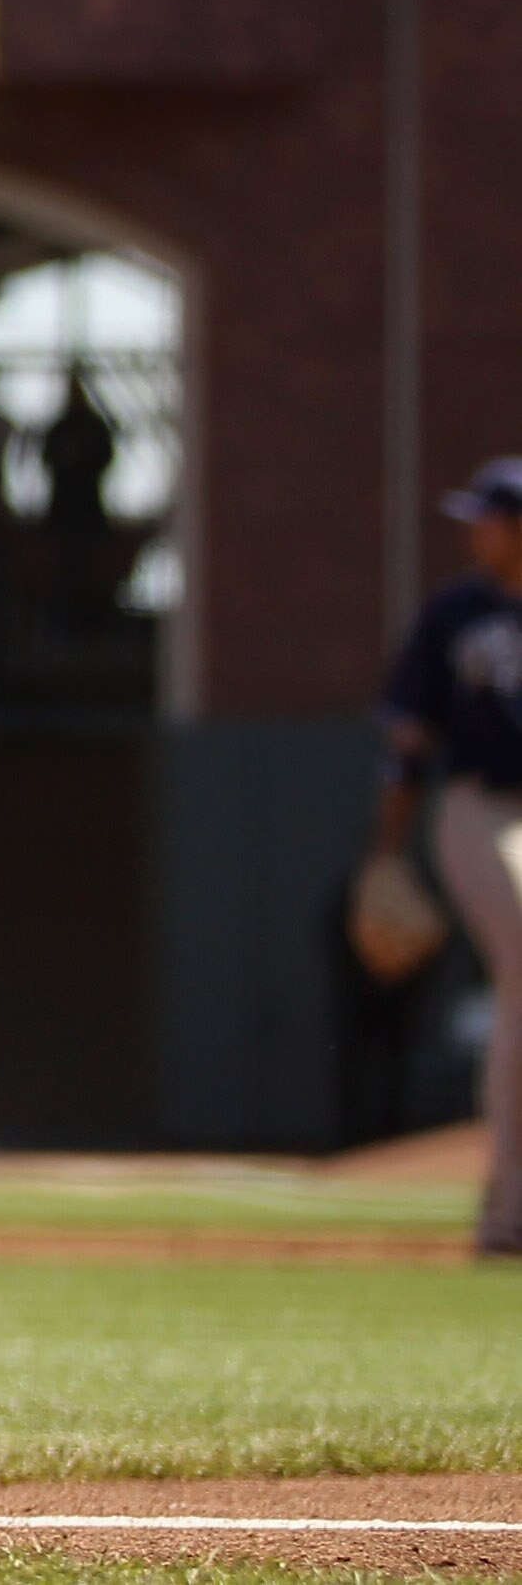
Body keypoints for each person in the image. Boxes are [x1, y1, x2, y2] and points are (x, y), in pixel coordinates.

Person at [370, 453, 522, 1258]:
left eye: (488, 518)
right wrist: (385, 854)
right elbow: (408, 742)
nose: (476, 532)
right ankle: (507, 1212)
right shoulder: (456, 612)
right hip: (485, 806)